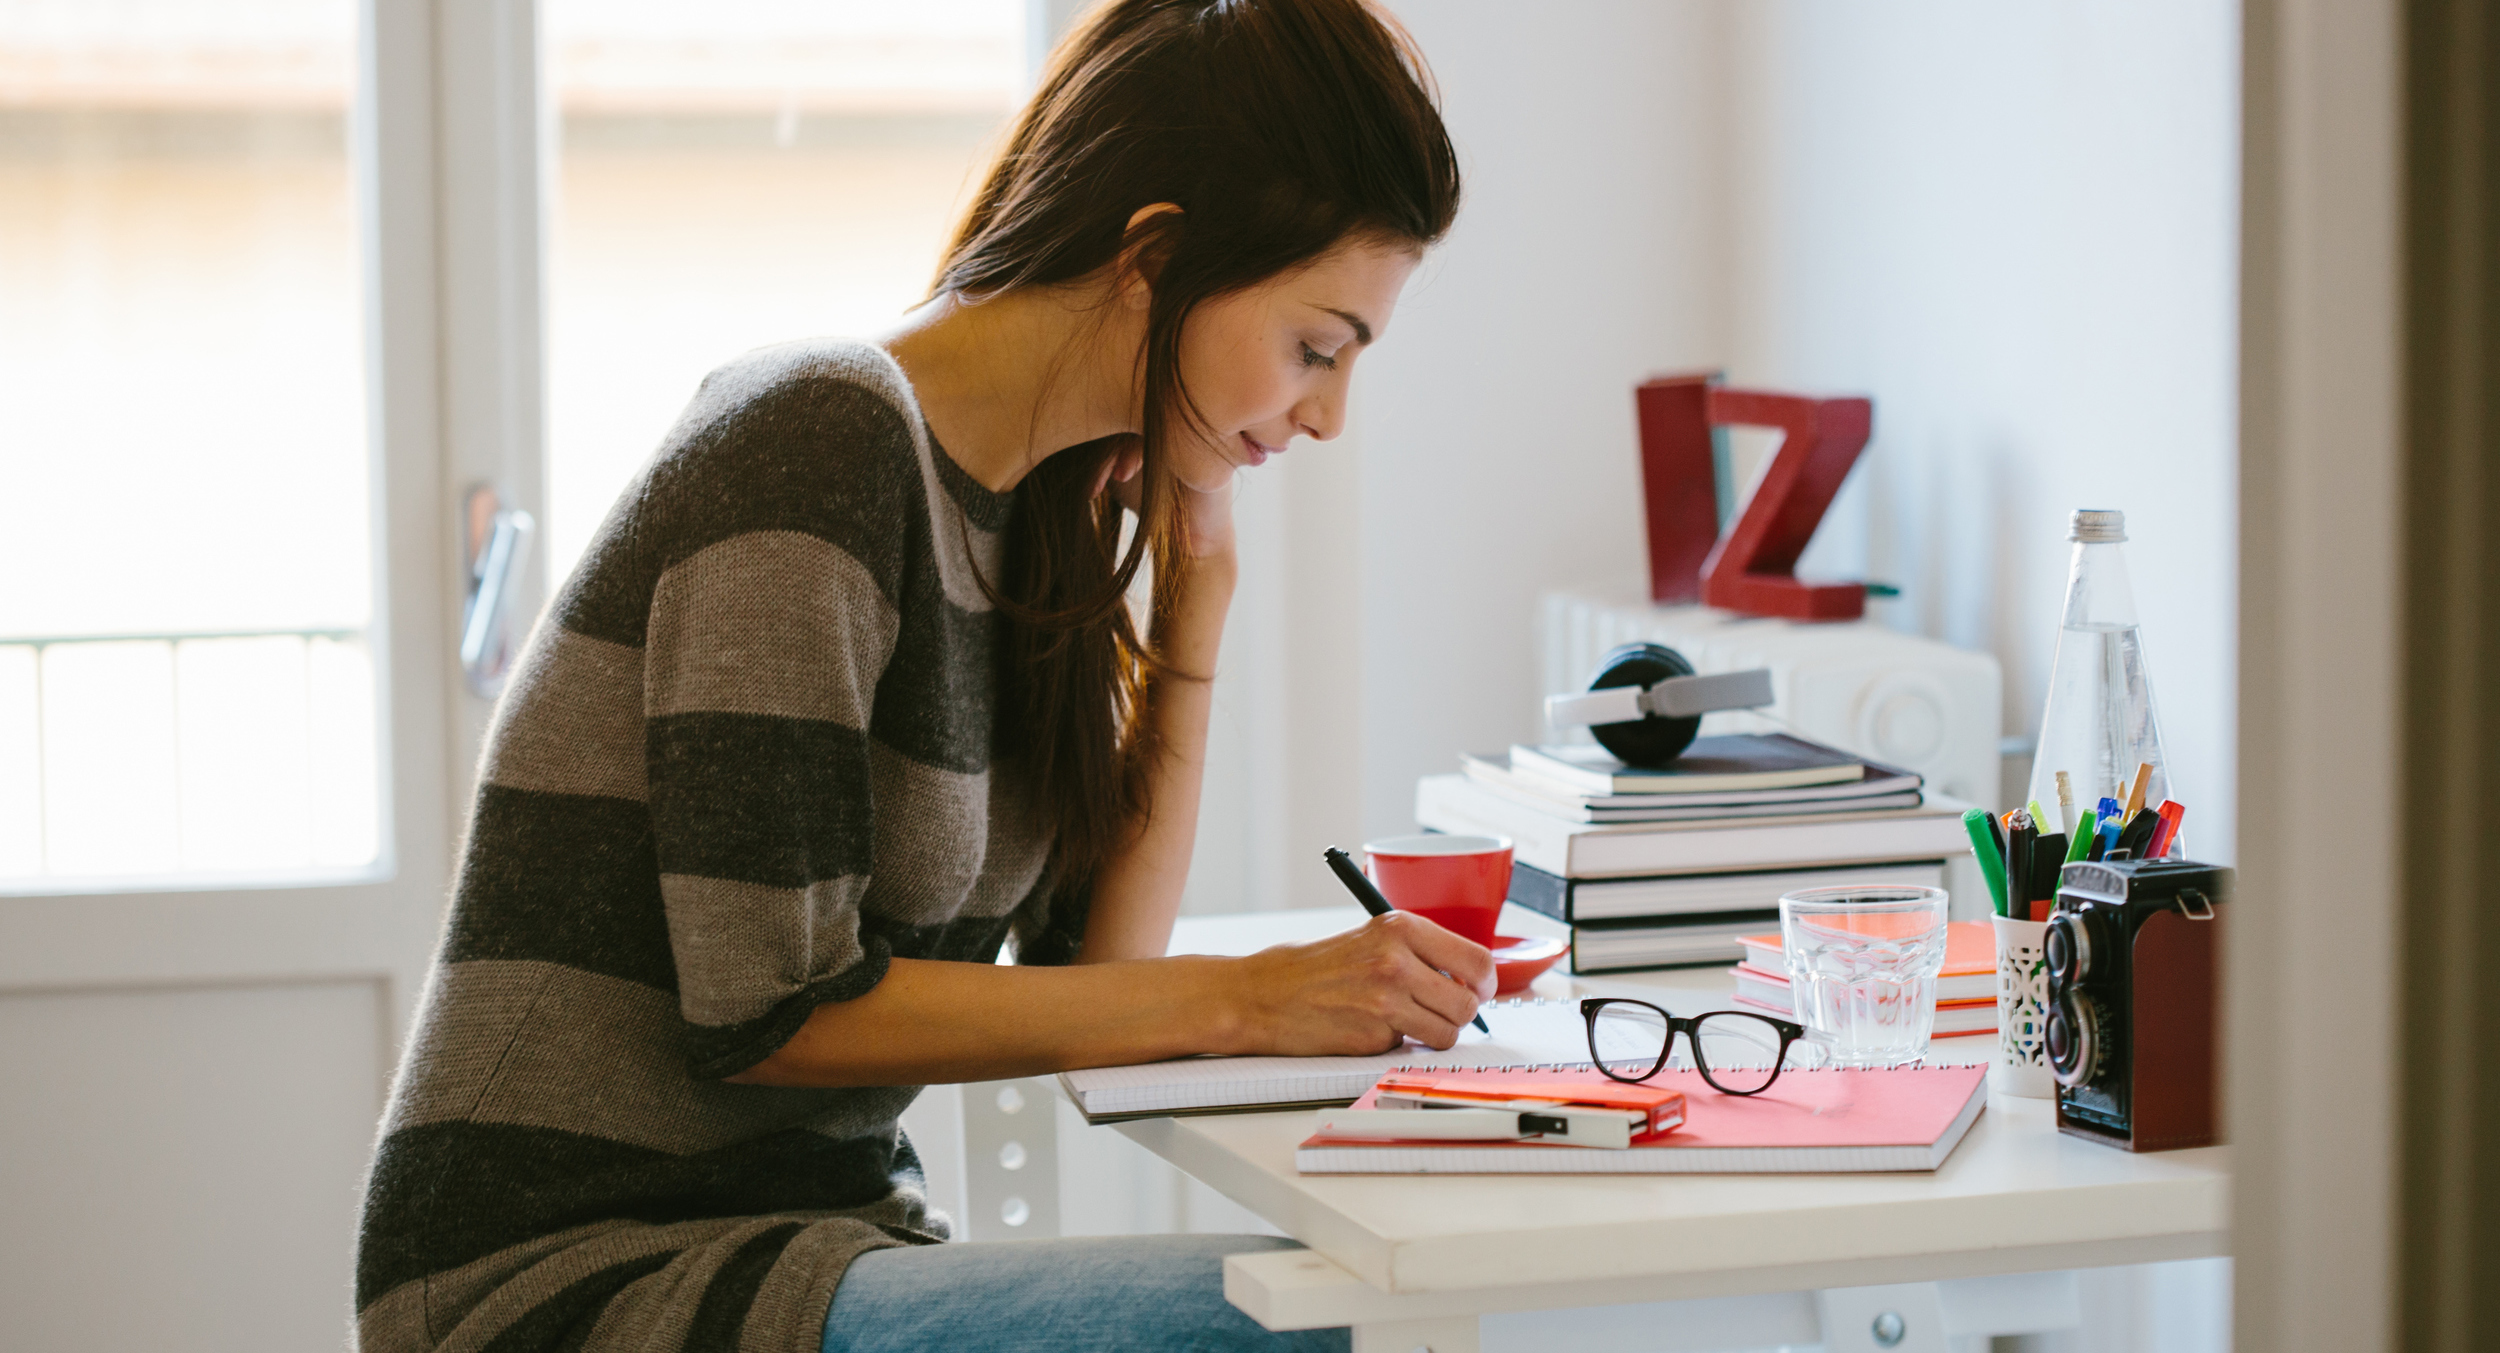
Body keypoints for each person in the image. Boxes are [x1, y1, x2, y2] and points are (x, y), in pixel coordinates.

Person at [355, 2, 1473, 1349]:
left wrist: (1199, 604)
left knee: (1354, 1311)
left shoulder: (1032, 518)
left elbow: (1098, 978)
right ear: (1156, 259)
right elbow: (770, 1009)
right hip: (565, 1275)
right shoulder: (816, 440)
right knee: (1320, 1330)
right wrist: (1253, 993)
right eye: (1318, 346)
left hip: (816, 1245)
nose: (1326, 414)